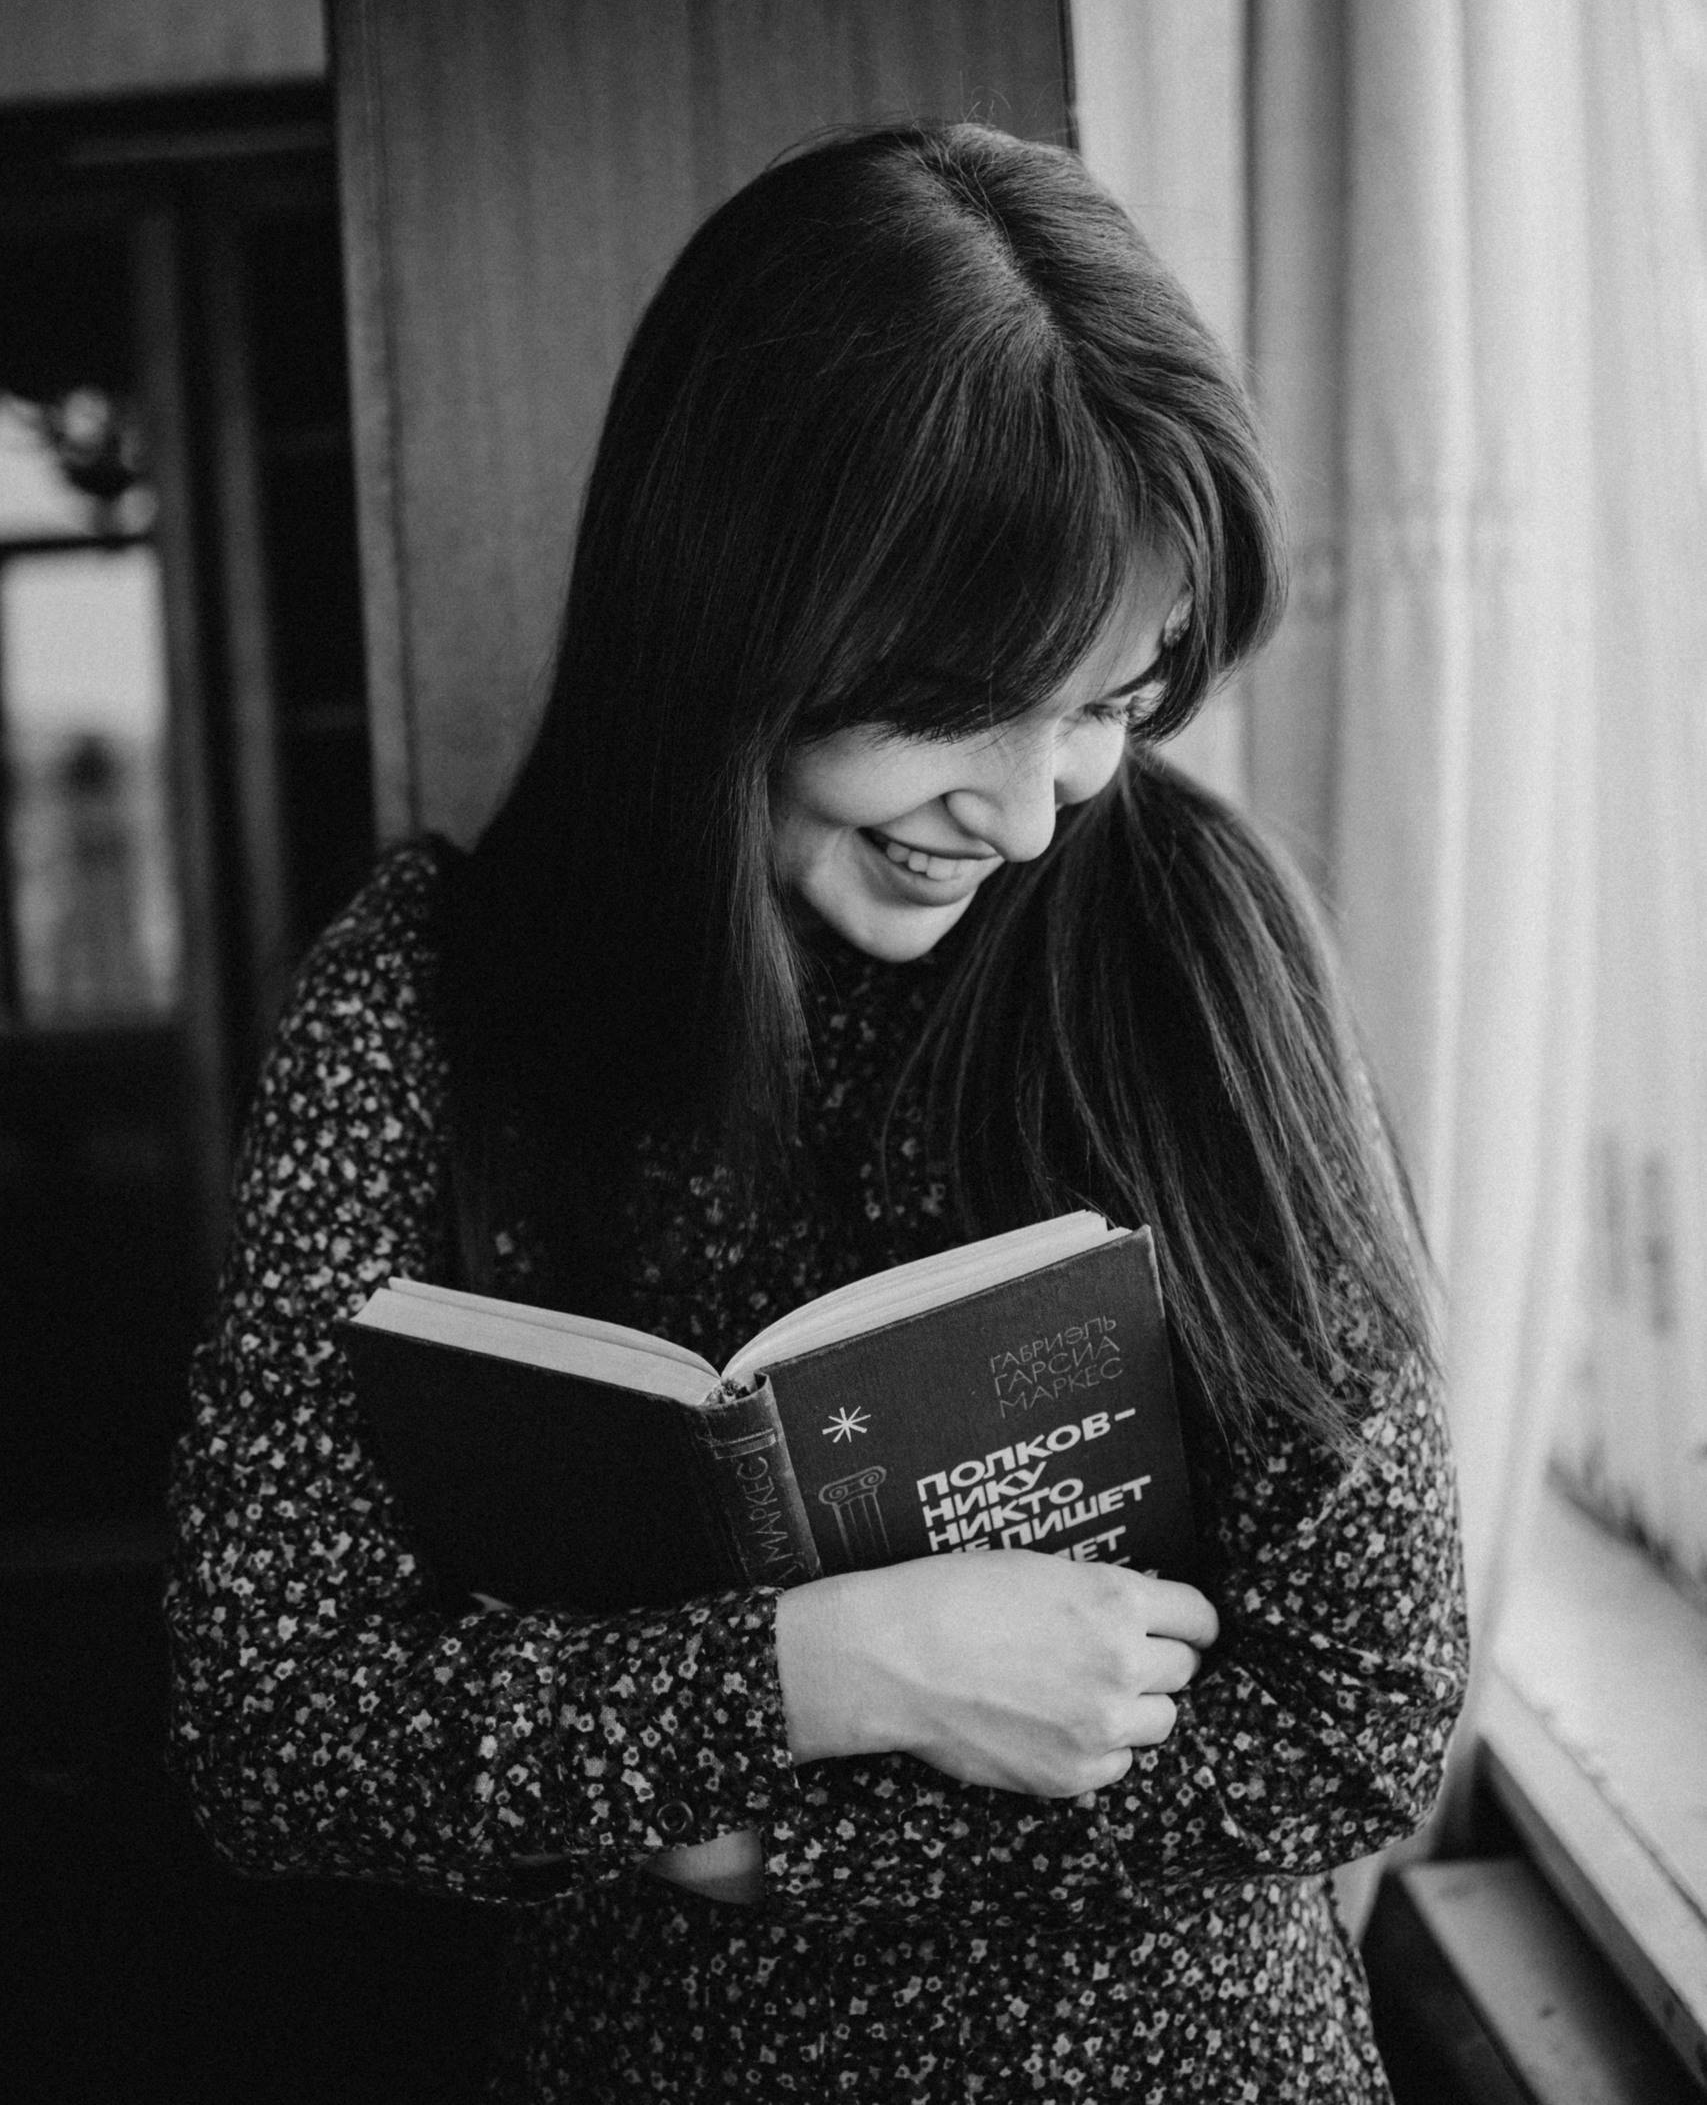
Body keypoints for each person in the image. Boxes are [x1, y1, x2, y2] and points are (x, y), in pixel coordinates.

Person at [166, 123, 1467, 2101]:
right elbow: (274, 1720)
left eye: (1110, 700)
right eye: (961, 706)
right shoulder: (433, 993)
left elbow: (1364, 1696)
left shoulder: (1184, 941)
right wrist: (836, 1663)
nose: (1032, 807)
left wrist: (778, 1833)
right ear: (730, 615)